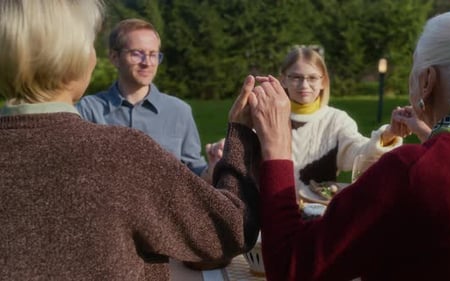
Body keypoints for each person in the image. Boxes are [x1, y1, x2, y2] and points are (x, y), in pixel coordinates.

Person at [0, 1, 261, 280]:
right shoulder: (122, 151)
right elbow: (229, 231)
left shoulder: (163, 122)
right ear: (80, 57)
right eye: (90, 43)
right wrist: (241, 138)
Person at [248, 10, 450, 281]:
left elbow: (291, 267)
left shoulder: (410, 170)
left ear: (427, 80)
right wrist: (433, 139)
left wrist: (276, 149)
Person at [76, 18, 222, 183]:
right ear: (114, 57)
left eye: (153, 55)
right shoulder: (88, 110)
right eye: (137, 54)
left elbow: (194, 175)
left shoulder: (179, 112)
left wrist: (212, 168)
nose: (147, 63)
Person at [277, 46, 410, 193]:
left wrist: (388, 135)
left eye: (312, 78)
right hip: (272, 209)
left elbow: (360, 154)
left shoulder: (336, 121)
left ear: (323, 82)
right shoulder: (269, 118)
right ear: (283, 80)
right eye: (296, 77)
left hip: (318, 211)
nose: (304, 85)